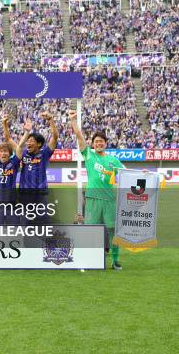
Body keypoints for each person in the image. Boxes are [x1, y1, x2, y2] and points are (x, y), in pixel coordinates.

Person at [69, 110, 124, 270]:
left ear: (106, 143)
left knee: (113, 231)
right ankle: (88, 261)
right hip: (92, 199)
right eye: (96, 141)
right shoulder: (89, 156)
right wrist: (73, 121)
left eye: (102, 141)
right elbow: (79, 137)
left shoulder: (113, 160)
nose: (99, 143)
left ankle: (115, 261)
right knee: (90, 231)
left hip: (109, 200)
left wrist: (143, 174)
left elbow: (126, 173)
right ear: (92, 144)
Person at [8, 112, 58, 225]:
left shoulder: (44, 153)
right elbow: (10, 140)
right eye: (27, 141)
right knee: (25, 223)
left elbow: (55, 137)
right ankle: (25, 242)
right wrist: (25, 132)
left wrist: (51, 120)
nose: (28, 143)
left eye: (31, 141)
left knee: (42, 223)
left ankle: (45, 242)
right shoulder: (23, 153)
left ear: (39, 144)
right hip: (25, 194)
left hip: (40, 194)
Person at [0, 115, 21, 225]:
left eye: (6, 151)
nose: (4, 153)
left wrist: (5, 125)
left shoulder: (14, 163)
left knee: (14, 230)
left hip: (12, 203)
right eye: (1, 151)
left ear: (10, 154)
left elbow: (18, 149)